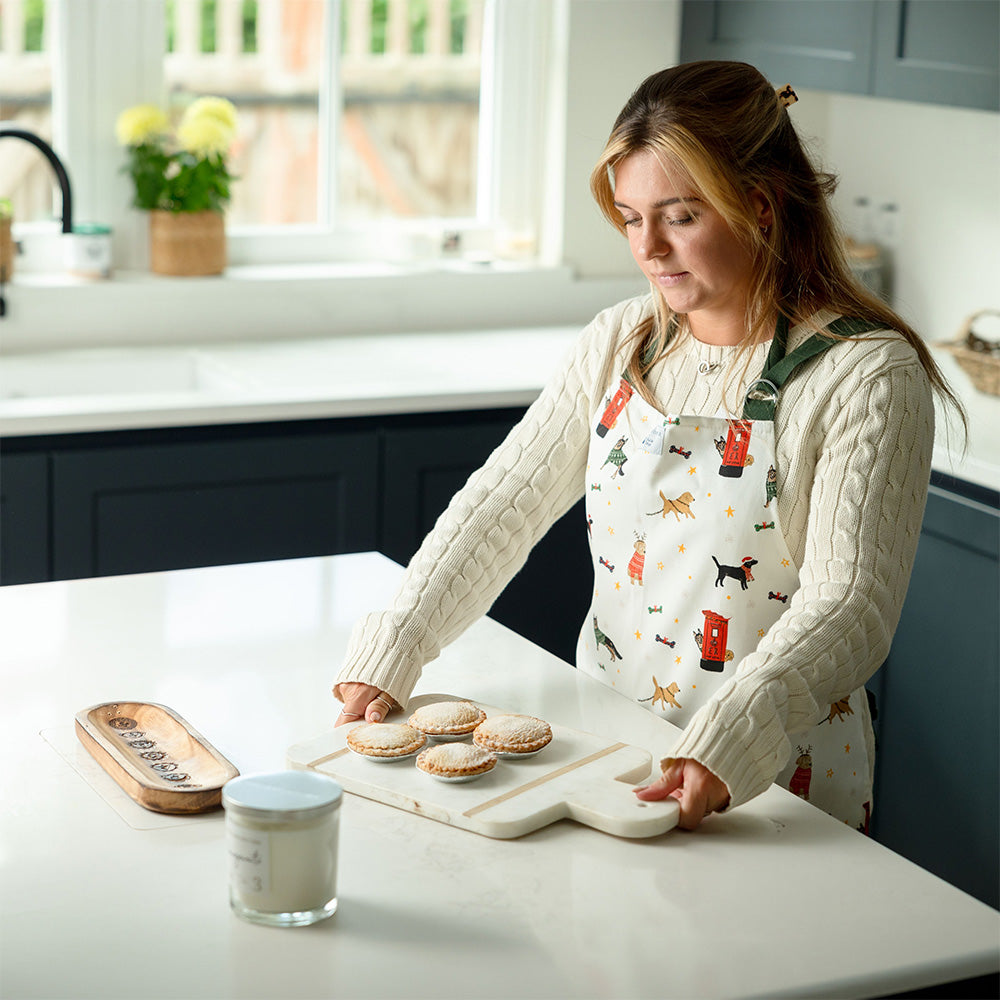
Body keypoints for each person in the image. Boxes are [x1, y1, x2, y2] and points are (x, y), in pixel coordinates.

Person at [332, 61, 963, 832]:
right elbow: (503, 506)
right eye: (631, 218)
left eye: (680, 215)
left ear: (759, 206)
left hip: (770, 780)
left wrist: (728, 744)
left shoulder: (864, 375)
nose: (650, 248)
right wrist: (398, 644)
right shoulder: (621, 341)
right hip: (608, 755)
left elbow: (851, 604)